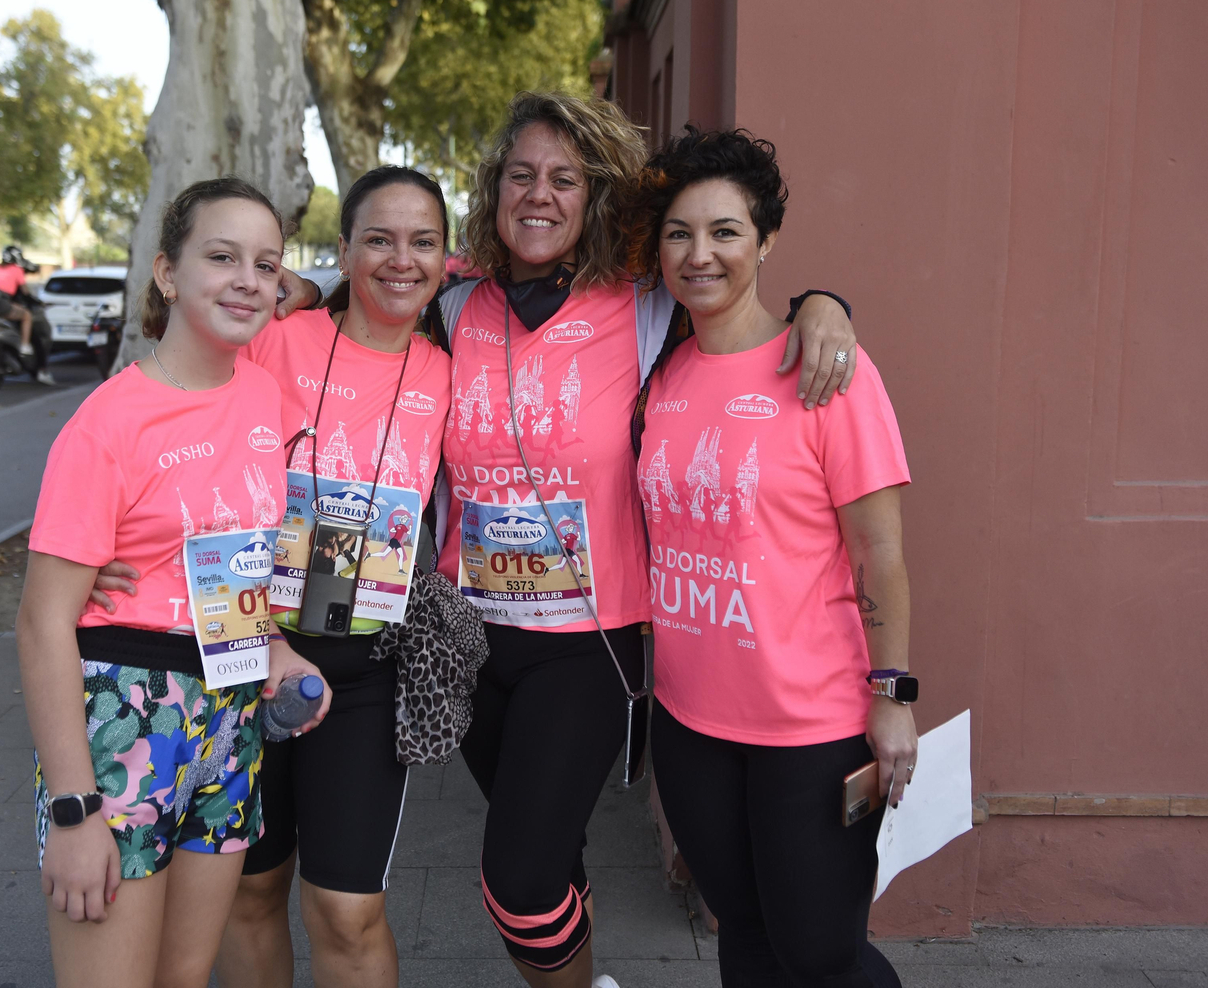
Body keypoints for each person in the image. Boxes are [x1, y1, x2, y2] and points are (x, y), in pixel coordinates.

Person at [345, 92, 859, 988]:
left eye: (564, 178)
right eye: (521, 175)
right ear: (494, 191)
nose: (539, 194)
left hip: (589, 645)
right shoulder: (454, 306)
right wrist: (300, 287)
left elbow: (737, 297)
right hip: (469, 642)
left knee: (520, 874)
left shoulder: (645, 307)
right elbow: (369, 294)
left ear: (595, 195)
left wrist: (826, 303)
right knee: (550, 853)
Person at [93, 167, 454, 988]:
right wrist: (107, 546)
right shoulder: (273, 336)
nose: (402, 260)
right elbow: (165, 409)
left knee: (347, 910)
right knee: (250, 895)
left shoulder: (450, 366)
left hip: (364, 668)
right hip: (240, 651)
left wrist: (819, 301)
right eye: (379, 240)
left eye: (424, 242)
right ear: (343, 250)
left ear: (446, 258)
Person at [18, 177, 332, 988]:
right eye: (221, 257)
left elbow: (236, 572)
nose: (247, 281)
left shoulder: (271, 400)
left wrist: (280, 651)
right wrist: (75, 811)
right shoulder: (109, 422)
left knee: (186, 978)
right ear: (166, 273)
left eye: (266, 266)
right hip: (124, 717)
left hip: (230, 720)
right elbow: (42, 624)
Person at [632, 126, 916, 987]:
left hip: (811, 725)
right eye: (679, 233)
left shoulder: (827, 369)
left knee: (821, 951)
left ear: (766, 242)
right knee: (744, 934)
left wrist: (894, 694)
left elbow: (880, 552)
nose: (700, 254)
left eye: (725, 232)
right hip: (688, 720)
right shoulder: (663, 374)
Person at [0, 245, 55, 385]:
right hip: (5, 307)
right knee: (28, 319)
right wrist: (37, 302)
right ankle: (25, 346)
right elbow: (26, 292)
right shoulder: (16, 270)